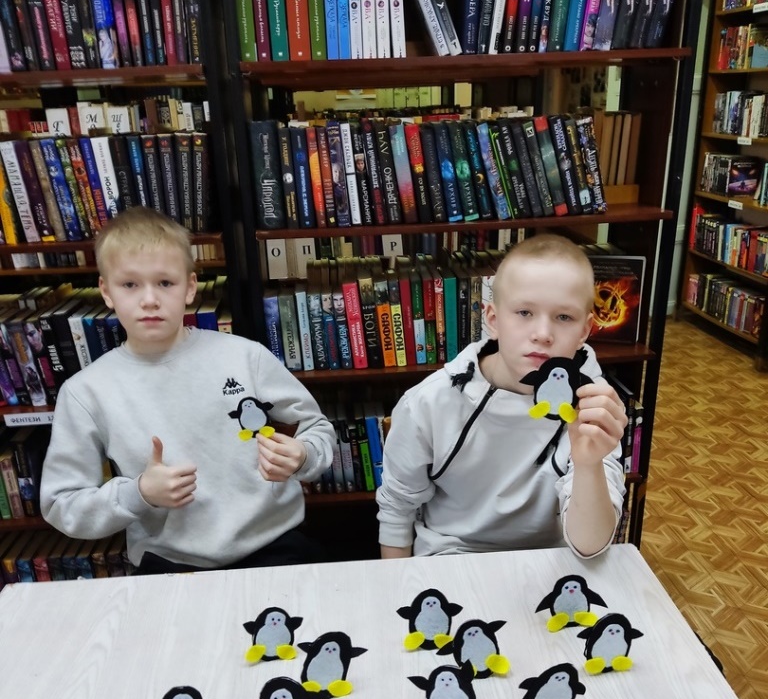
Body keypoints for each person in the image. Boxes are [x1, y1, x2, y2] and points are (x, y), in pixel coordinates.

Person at [40, 207, 336, 573]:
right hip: (169, 563)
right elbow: (61, 504)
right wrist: (139, 493)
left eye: (165, 283)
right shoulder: (85, 393)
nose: (150, 299)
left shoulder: (246, 356)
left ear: (190, 287)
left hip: (274, 547)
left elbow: (318, 429)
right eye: (130, 285)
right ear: (106, 291)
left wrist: (303, 455)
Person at [377, 234, 628, 560]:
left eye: (563, 317)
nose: (543, 334)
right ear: (493, 320)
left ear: (584, 331)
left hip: (551, 563)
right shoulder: (428, 403)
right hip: (450, 560)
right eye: (524, 312)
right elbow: (397, 510)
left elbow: (590, 545)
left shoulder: (593, 405)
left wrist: (588, 464)